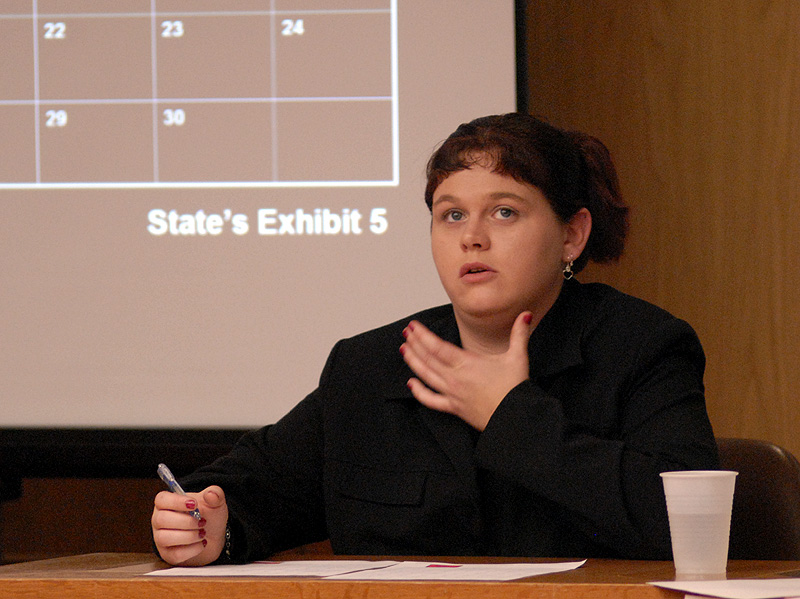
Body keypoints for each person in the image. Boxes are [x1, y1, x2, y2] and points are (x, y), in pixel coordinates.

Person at [151, 113, 718, 566]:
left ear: (572, 234)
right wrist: (210, 526)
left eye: (503, 212)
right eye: (451, 216)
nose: (472, 238)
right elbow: (249, 491)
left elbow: (686, 526)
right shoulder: (370, 365)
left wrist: (509, 414)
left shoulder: (643, 347)